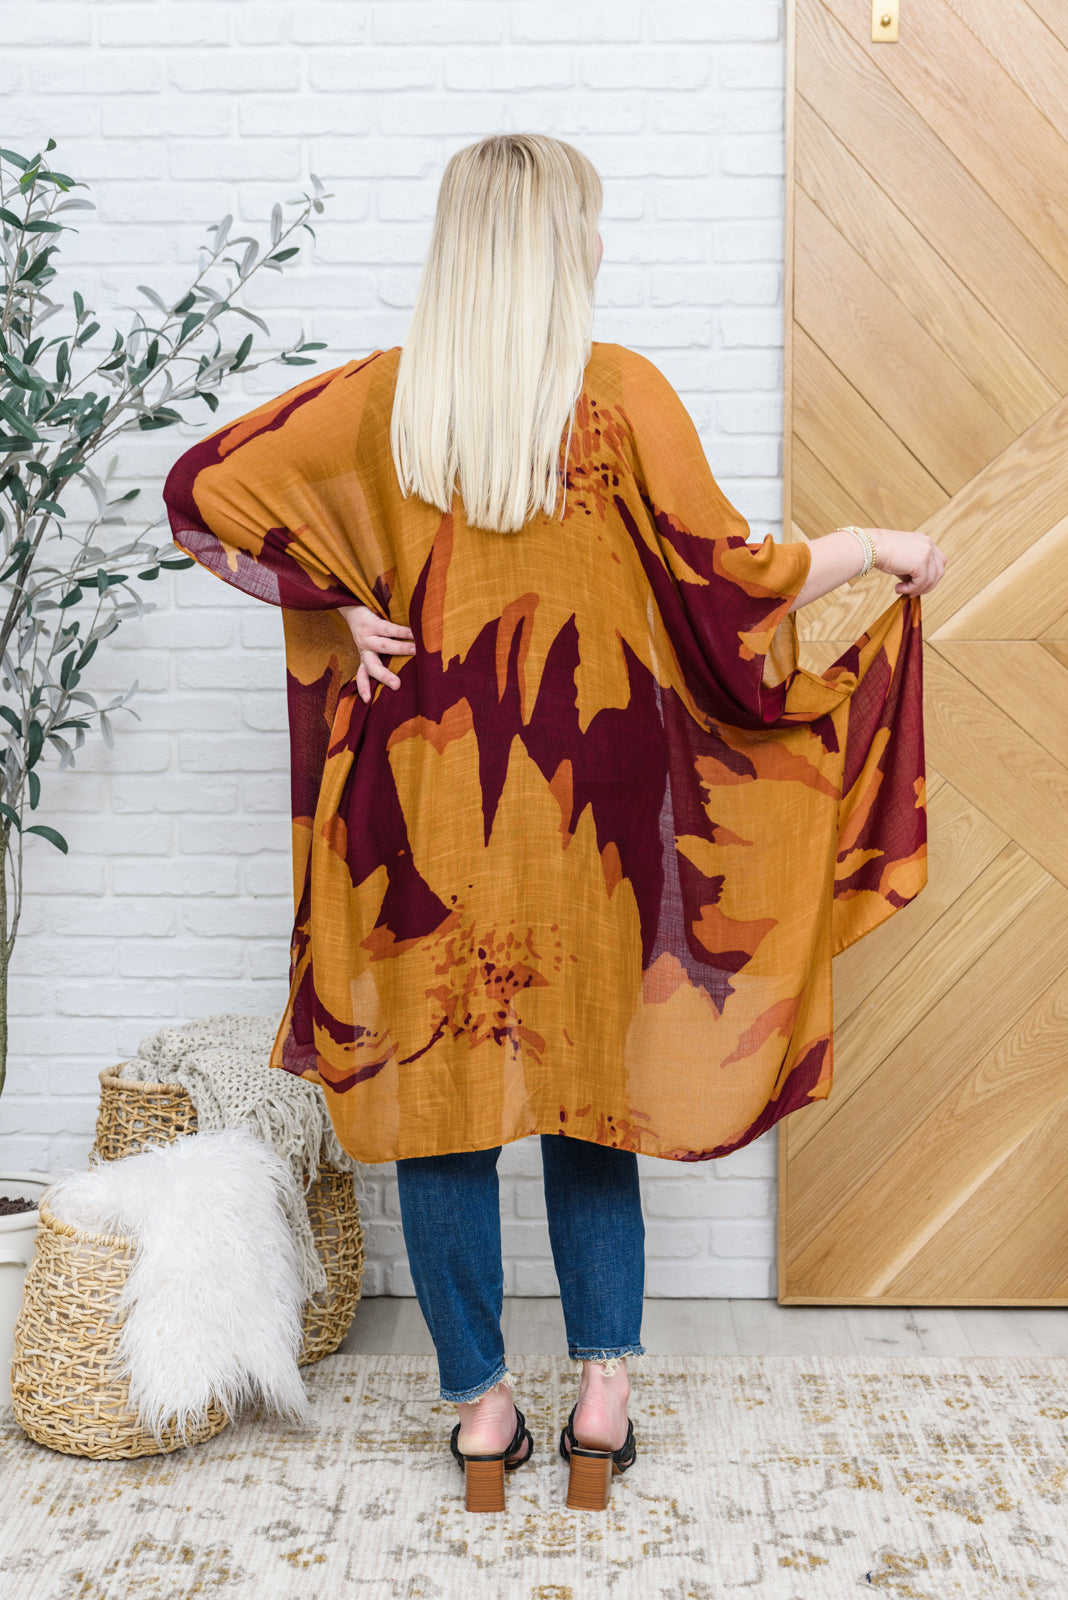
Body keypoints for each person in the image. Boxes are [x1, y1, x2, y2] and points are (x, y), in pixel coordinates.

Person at [163, 133, 946, 1514]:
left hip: (423, 817)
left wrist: (329, 615)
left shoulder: (388, 403)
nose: (601, 242)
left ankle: (481, 1417)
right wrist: (880, 547)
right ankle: (601, 1404)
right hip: (595, 818)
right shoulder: (621, 394)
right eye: (588, 222)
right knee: (595, 1092)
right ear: (557, 244)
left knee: (443, 1106)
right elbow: (735, 578)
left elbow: (201, 496)